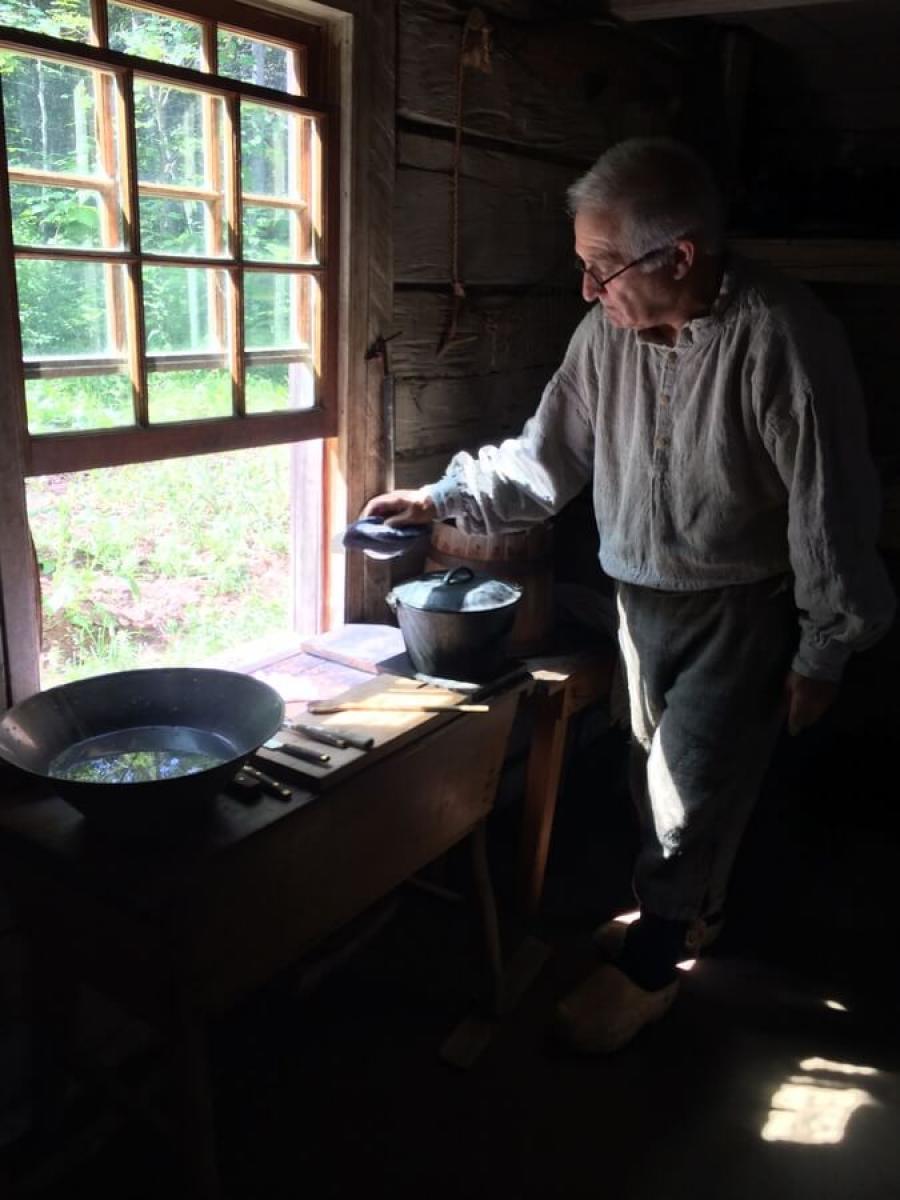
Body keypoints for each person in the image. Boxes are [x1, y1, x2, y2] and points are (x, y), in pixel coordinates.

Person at [362, 137, 895, 1053]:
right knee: (656, 769)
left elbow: (829, 505)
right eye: (583, 267)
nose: (587, 290)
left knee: (691, 792)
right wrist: (439, 497)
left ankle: (657, 956)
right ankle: (691, 911)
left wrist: (824, 648)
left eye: (600, 268)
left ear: (680, 256)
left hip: (741, 605)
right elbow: (544, 458)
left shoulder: (784, 336)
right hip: (637, 598)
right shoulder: (603, 337)